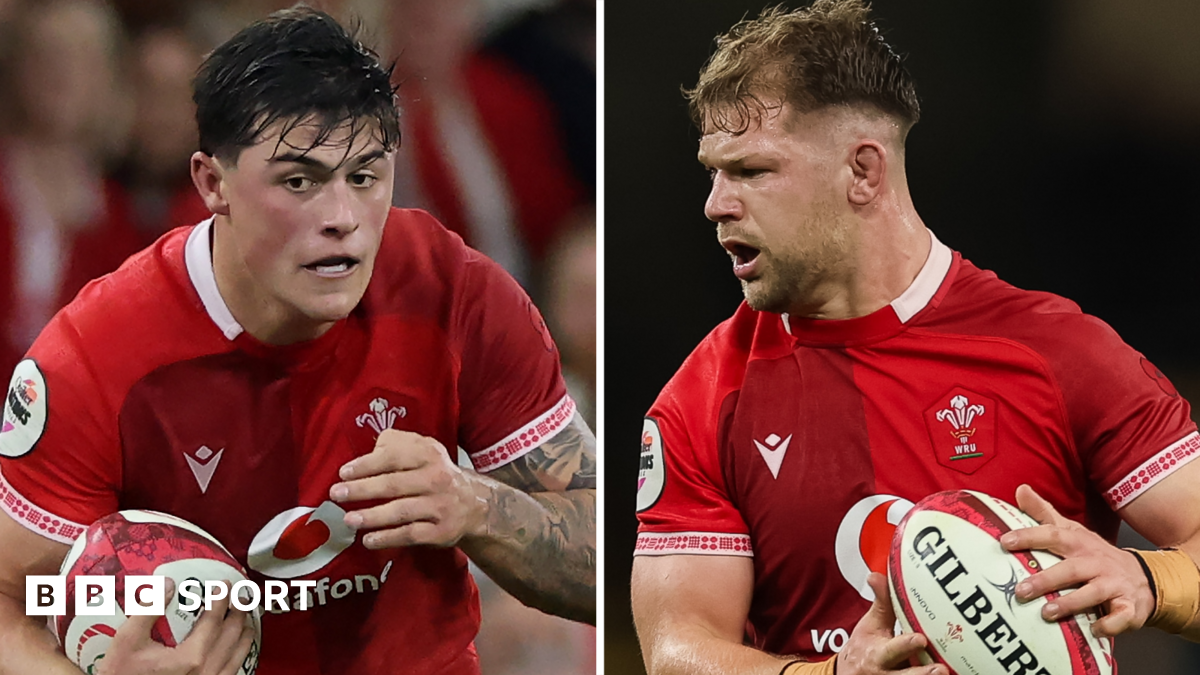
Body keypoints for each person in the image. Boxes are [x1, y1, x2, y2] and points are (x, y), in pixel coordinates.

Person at [0, 7, 595, 675]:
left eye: (365, 176)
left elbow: (609, 558)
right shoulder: (93, 356)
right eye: (299, 180)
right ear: (211, 184)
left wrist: (477, 506)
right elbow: (8, 602)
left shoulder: (458, 294)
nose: (342, 219)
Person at [630, 2, 1200, 675]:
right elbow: (676, 649)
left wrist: (1146, 578)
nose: (716, 202)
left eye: (751, 171)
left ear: (864, 171)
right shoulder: (701, 401)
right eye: (713, 172)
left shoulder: (1060, 354)